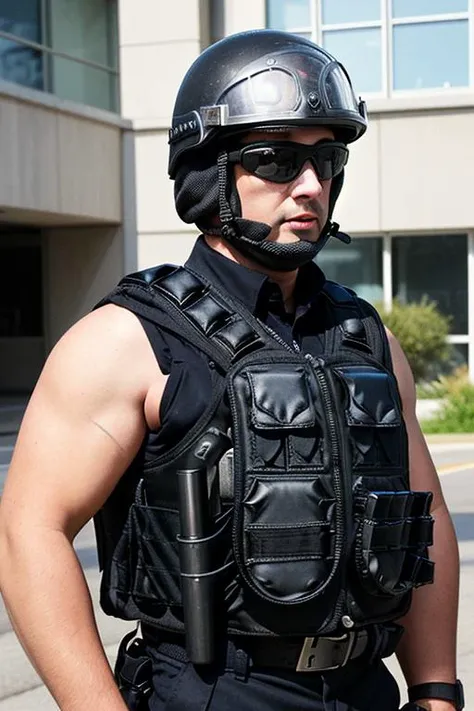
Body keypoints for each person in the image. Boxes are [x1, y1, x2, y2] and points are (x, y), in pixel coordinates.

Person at [0, 29, 463, 711]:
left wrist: (435, 688)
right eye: (275, 160)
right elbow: (29, 531)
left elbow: (422, 519)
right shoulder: (126, 340)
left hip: (368, 689)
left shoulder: (368, 340)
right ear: (207, 171)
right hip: (218, 691)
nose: (311, 185)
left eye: (327, 158)